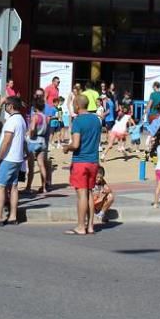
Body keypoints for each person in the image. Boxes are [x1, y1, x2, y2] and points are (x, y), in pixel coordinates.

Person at [62, 94, 102, 236]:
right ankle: (90, 225)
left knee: (82, 194)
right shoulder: (96, 120)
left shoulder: (78, 121)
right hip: (94, 160)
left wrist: (67, 147)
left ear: (77, 105)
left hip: (81, 161)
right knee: (90, 192)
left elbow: (76, 144)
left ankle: (80, 226)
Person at [0, 97, 27, 227]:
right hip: (17, 158)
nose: (5, 107)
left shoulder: (11, 121)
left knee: (0, 186)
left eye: (6, 104)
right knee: (14, 187)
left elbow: (6, 141)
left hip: (8, 158)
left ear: (10, 106)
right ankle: (13, 216)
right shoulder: (21, 120)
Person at [23, 96, 50, 194]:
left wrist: (30, 133)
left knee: (31, 166)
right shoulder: (45, 117)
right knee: (41, 165)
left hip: (34, 141)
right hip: (42, 141)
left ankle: (28, 187)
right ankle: (44, 187)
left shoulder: (35, 116)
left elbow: (33, 128)